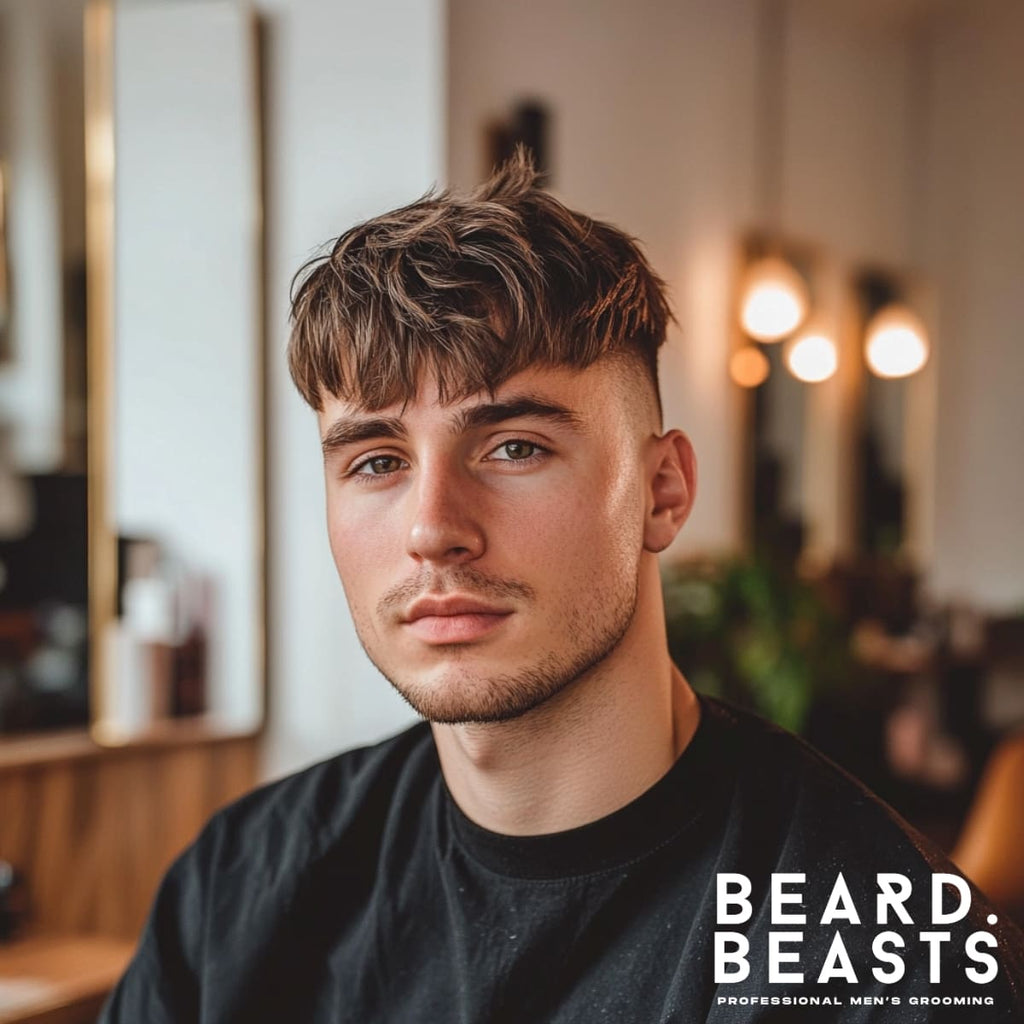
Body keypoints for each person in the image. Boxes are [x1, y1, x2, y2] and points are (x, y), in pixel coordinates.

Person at [101, 154, 1024, 1023]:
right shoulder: (235, 895)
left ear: (663, 492)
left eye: (514, 448)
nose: (432, 528)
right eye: (377, 461)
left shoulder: (883, 958)